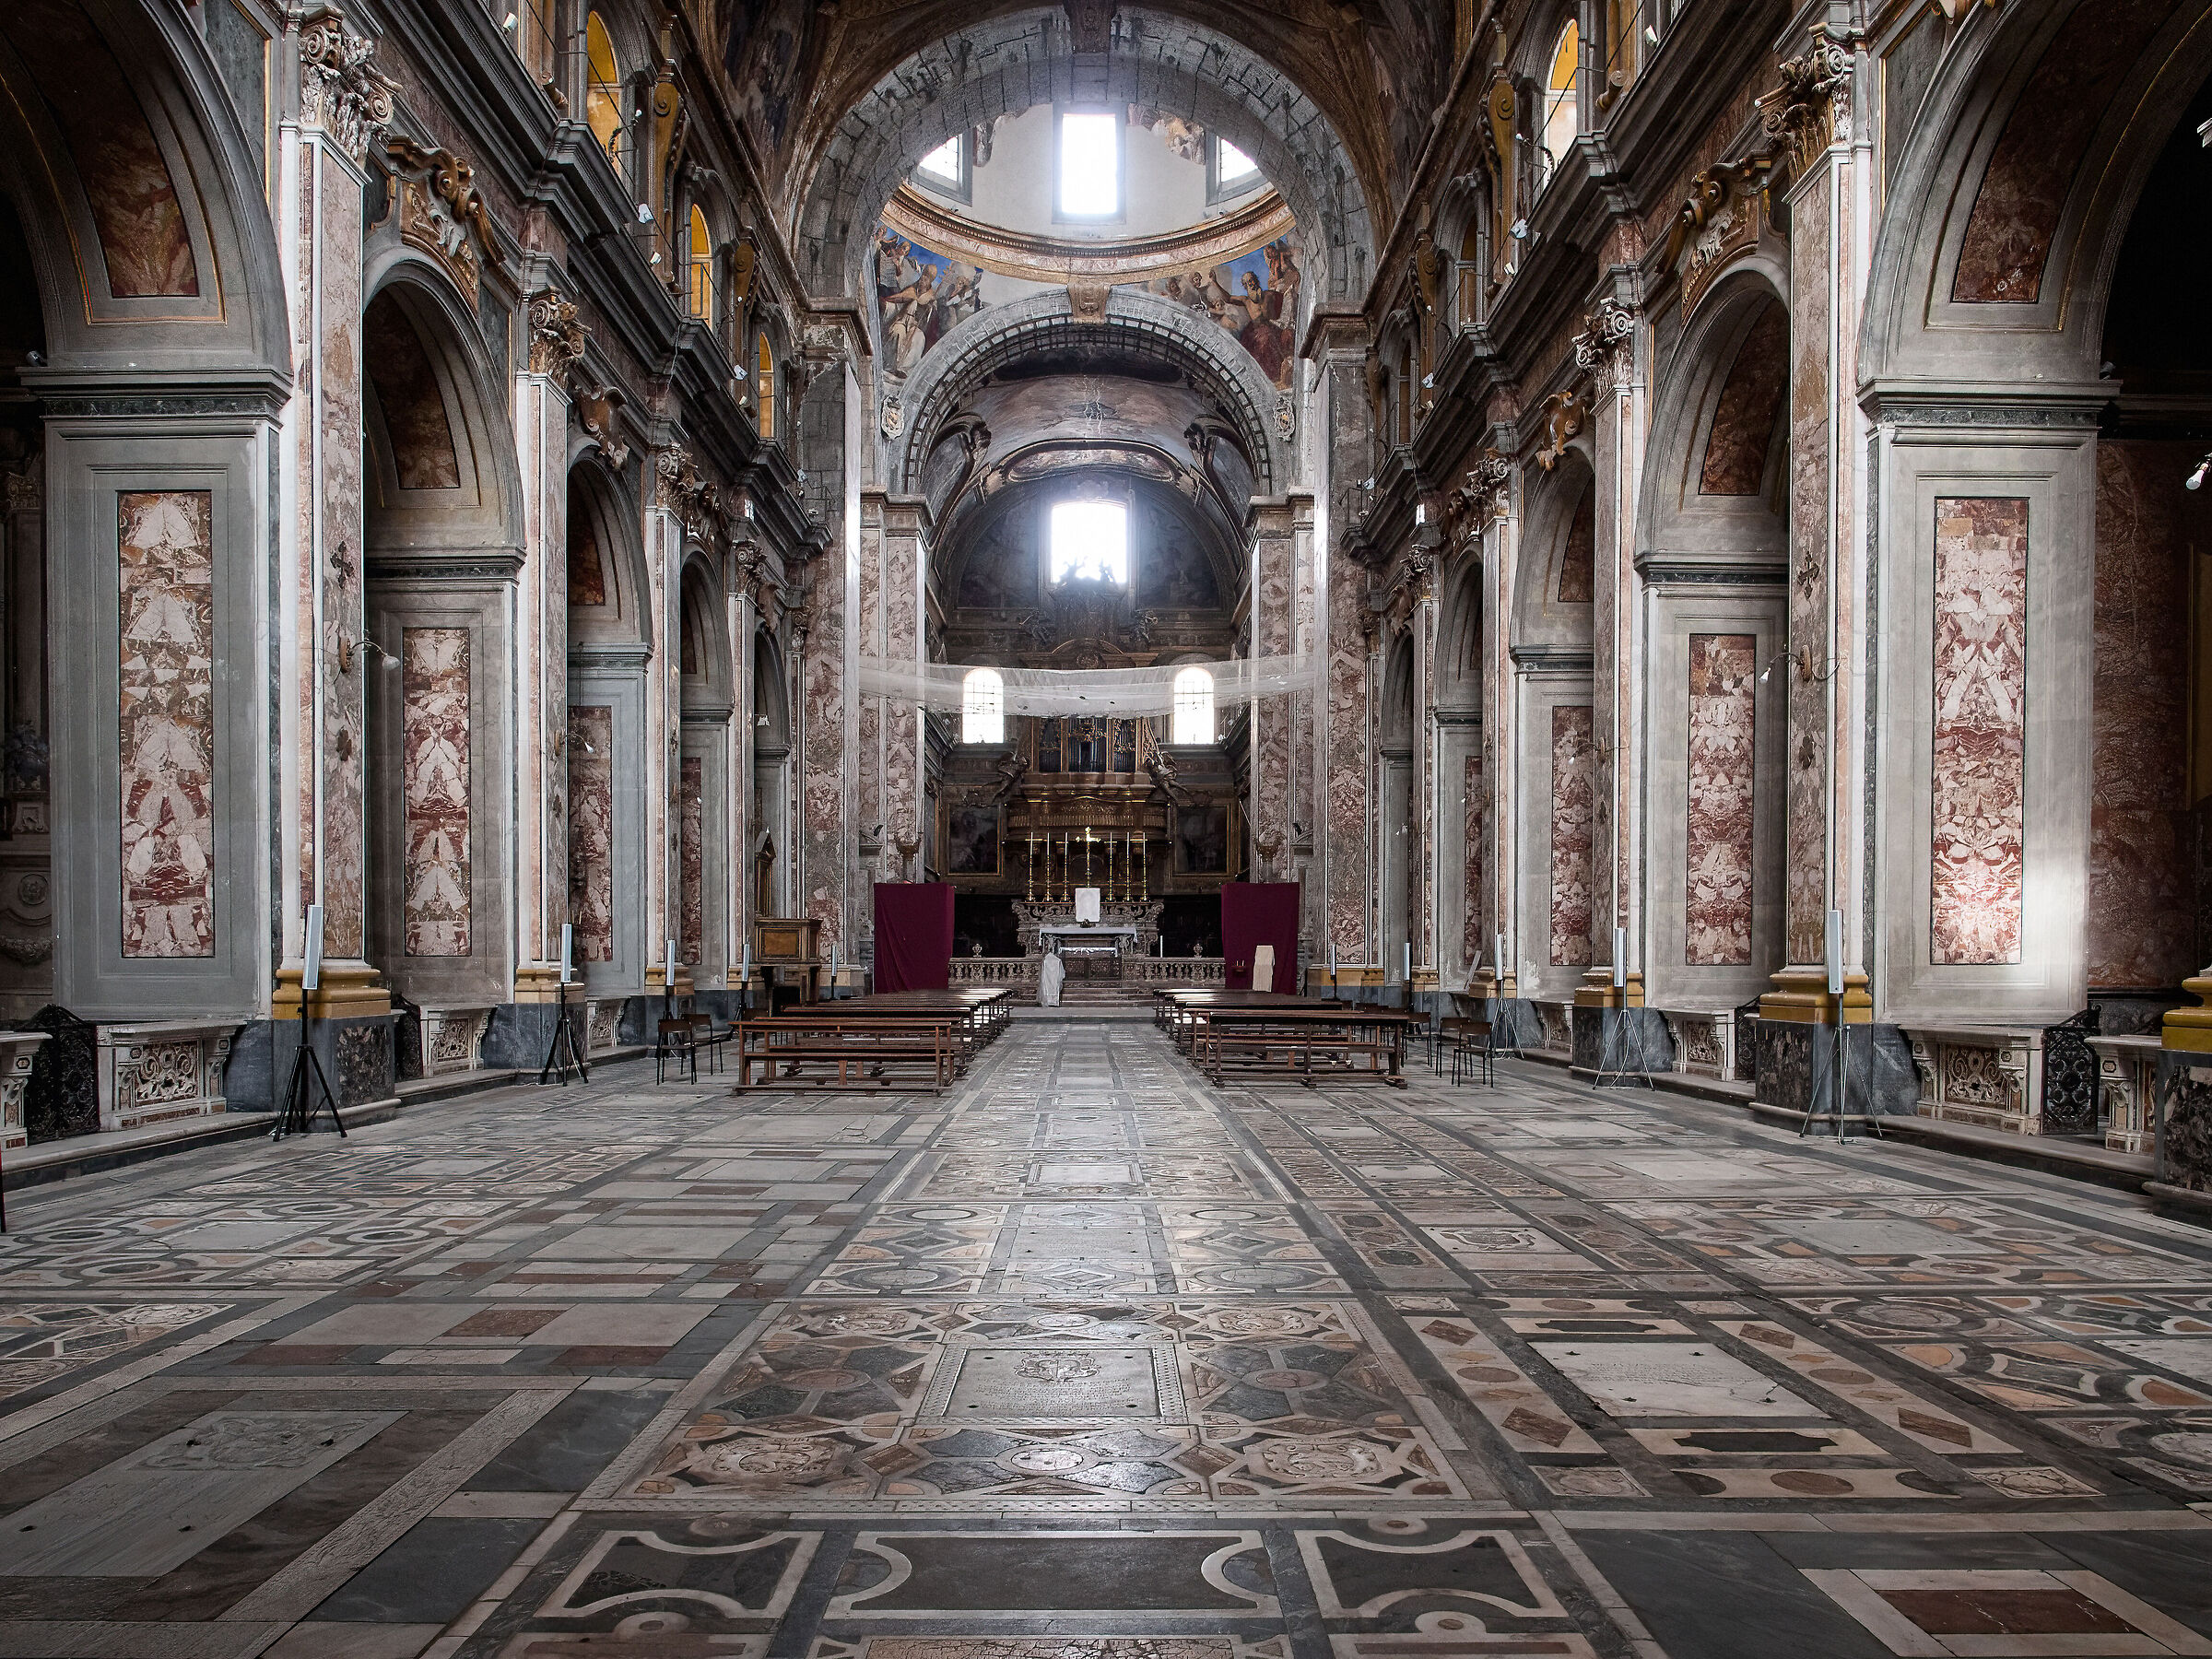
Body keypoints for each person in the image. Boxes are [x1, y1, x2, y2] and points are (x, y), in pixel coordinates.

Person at [1038, 941, 1065, 1007]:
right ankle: (1054, 1001)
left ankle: (1049, 1000)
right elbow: (1062, 975)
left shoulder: (1047, 960)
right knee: (1053, 984)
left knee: (1047, 983)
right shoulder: (1057, 961)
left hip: (1048, 976)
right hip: (1054, 978)